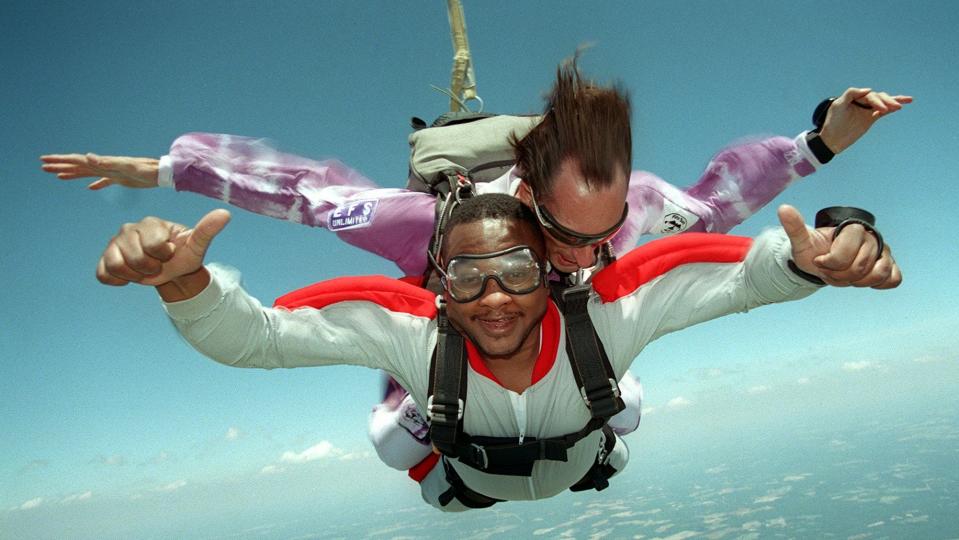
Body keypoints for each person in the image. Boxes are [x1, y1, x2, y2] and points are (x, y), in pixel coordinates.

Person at [43, 59, 911, 473]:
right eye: (562, 236)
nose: (583, 255)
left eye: (599, 236)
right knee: (394, 437)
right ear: (526, 195)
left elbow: (716, 207)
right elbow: (307, 191)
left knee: (624, 397)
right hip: (443, 357)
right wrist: (159, 171)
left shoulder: (624, 214)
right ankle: (424, 419)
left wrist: (817, 144)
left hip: (571, 370)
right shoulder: (423, 225)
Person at [93, 192, 898, 511]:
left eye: (516, 270)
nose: (496, 297)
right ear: (438, 285)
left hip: (586, 449)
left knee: (616, 397)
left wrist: (812, 258)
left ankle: (614, 406)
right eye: (469, 278)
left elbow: (738, 276)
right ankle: (439, 454)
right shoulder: (409, 325)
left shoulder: (605, 309)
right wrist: (188, 286)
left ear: (549, 271)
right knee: (391, 444)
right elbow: (260, 340)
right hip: (464, 477)